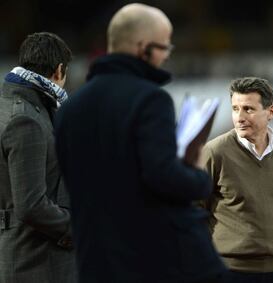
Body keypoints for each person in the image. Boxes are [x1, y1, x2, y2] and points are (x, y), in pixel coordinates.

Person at [54, 3, 225, 283]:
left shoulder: (70, 109)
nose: (165, 57)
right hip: (148, 261)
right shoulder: (149, 99)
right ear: (143, 47)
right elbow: (163, 177)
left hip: (93, 262)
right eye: (164, 48)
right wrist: (196, 174)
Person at [201, 77, 273, 283]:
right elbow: (194, 211)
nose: (239, 117)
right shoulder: (214, 153)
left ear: (271, 112)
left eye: (248, 109)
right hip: (228, 272)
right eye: (235, 109)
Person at [0, 32, 75, 283]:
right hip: (37, 263)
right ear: (59, 70)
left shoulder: (9, 104)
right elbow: (31, 205)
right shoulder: (26, 119)